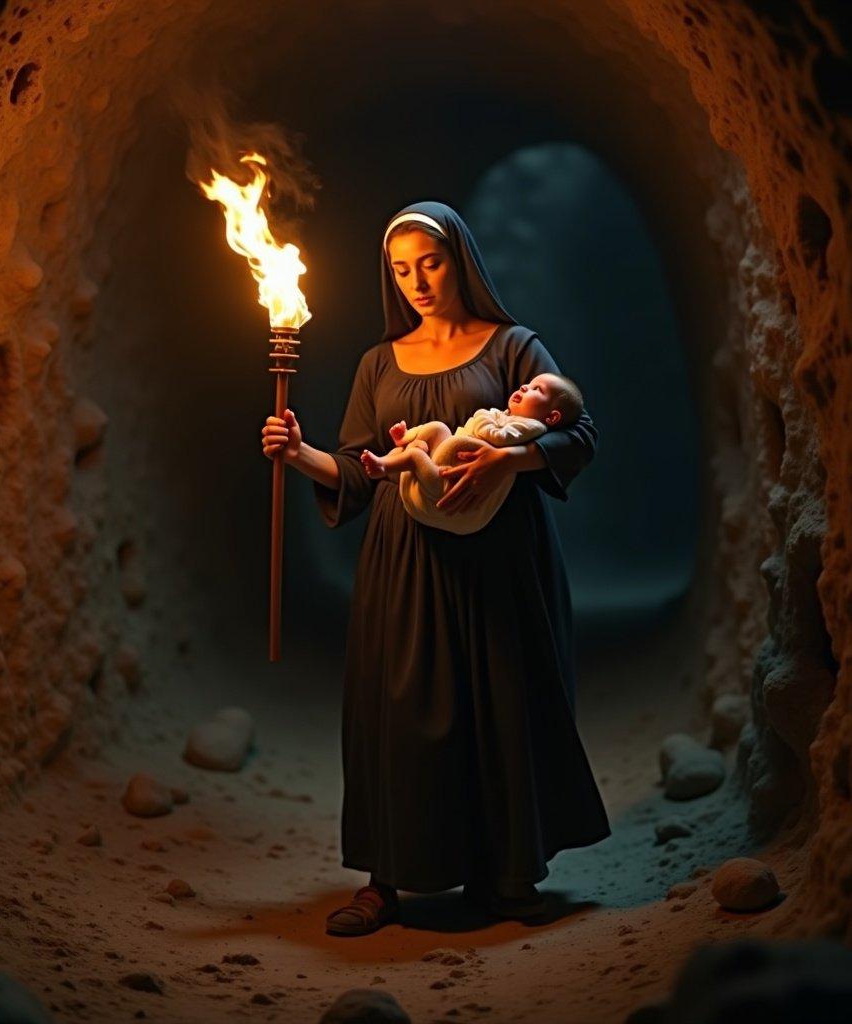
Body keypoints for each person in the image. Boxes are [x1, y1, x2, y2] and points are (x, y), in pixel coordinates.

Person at [260, 201, 611, 937]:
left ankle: (505, 872)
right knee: (401, 708)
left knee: (499, 701)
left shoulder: (513, 346)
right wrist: (298, 454)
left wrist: (510, 456)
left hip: (499, 558)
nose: (417, 280)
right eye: (401, 268)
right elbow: (360, 472)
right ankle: (386, 880)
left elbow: (577, 431)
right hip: (406, 558)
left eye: (431, 262)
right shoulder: (377, 363)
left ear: (462, 260)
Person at [358, 372, 584, 535]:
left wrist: (484, 415)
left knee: (417, 456)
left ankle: (384, 466)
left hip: (447, 483)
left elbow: (496, 436)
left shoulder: (532, 427)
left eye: (537, 390)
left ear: (552, 417)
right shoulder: (512, 418)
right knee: (438, 428)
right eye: (528, 383)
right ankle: (404, 440)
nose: (525, 387)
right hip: (443, 469)